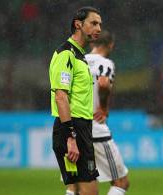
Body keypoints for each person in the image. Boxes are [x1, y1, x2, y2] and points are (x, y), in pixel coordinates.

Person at [67, 30, 130, 195]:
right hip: (95, 131)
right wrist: (103, 107)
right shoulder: (105, 63)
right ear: (111, 45)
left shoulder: (77, 61)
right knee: (121, 182)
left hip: (74, 130)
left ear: (93, 43)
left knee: (76, 186)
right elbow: (103, 83)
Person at [49, 6, 102, 195]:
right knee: (89, 190)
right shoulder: (66, 54)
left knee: (78, 190)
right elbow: (61, 96)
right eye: (94, 23)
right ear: (78, 24)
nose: (99, 29)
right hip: (73, 129)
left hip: (81, 127)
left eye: (100, 25)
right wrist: (71, 137)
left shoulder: (80, 55)